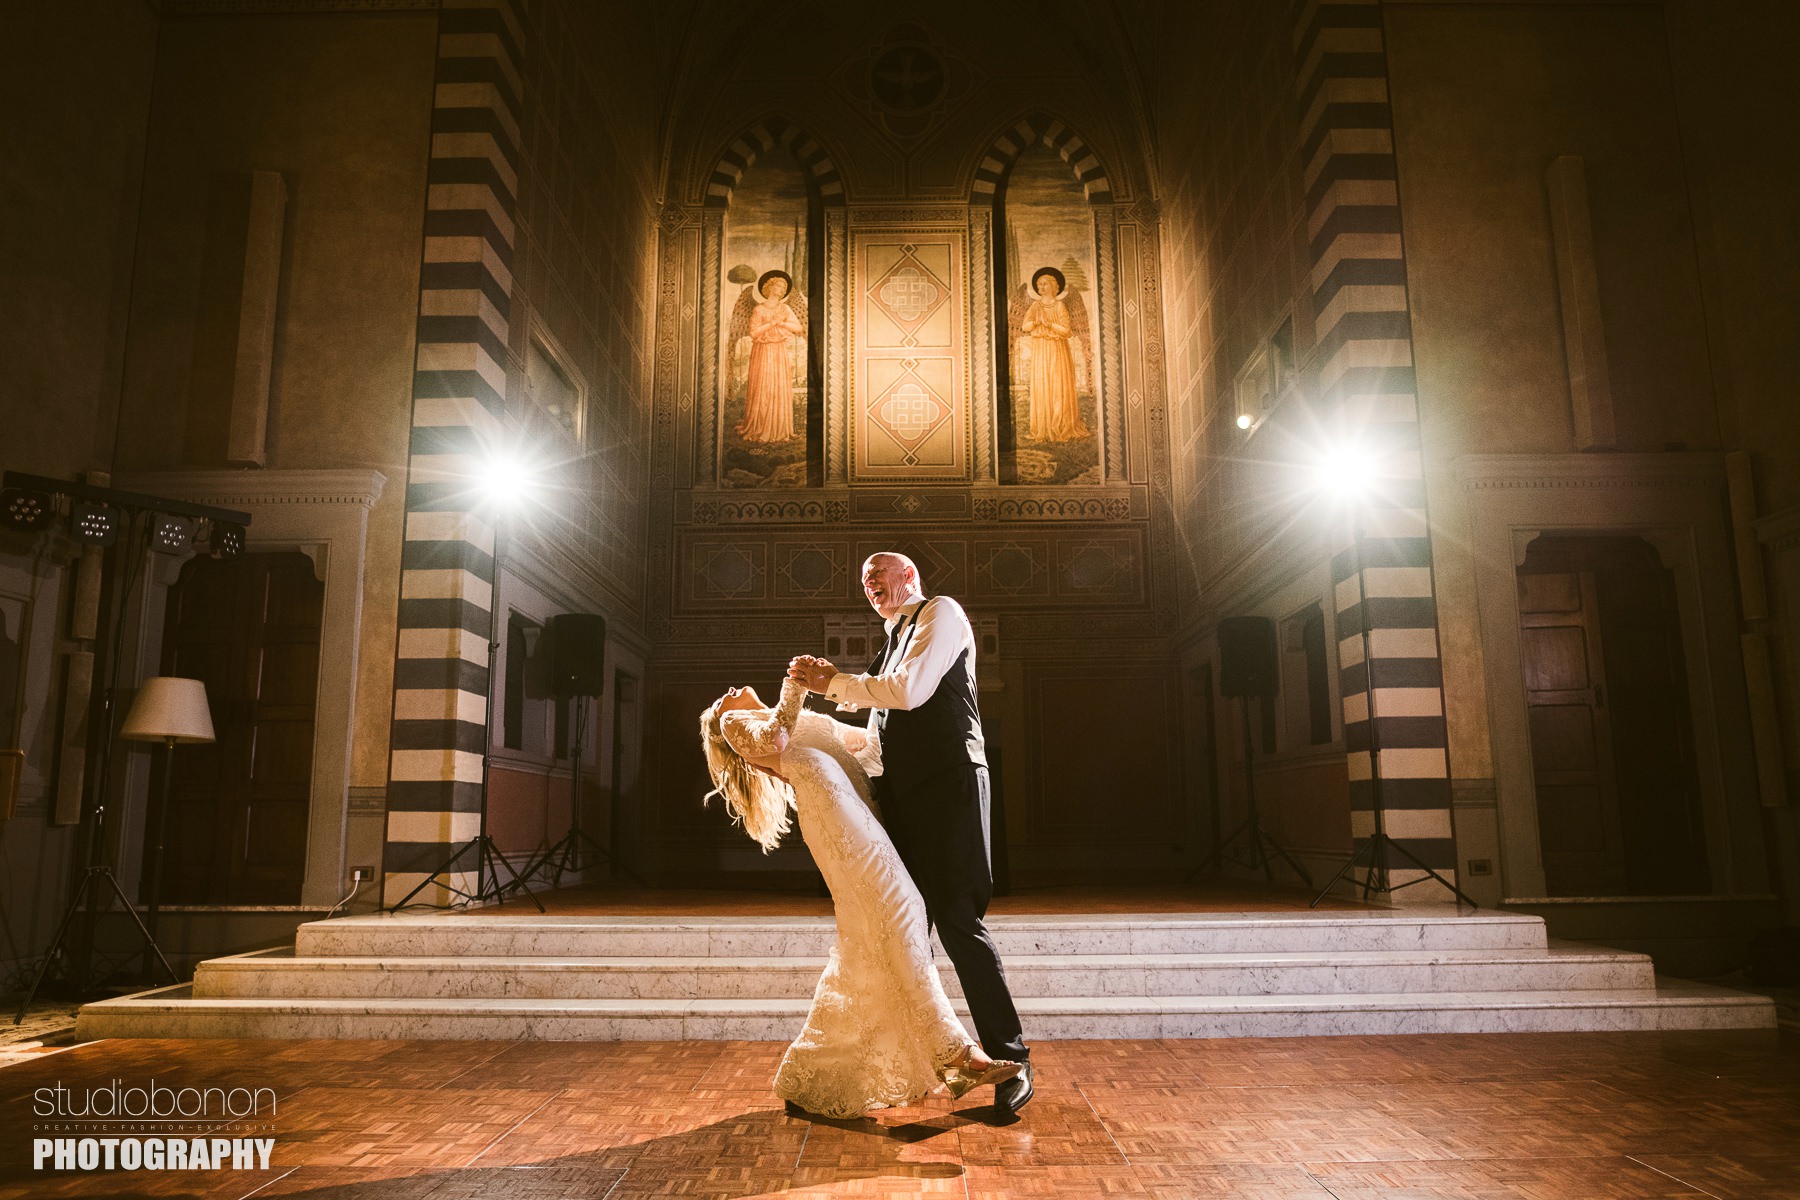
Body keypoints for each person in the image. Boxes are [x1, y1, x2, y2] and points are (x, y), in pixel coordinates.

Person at [699, 680, 1021, 1119]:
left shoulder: (794, 717)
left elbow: (868, 745)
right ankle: (958, 1056)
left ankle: (812, 1070)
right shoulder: (736, 723)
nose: (728, 692)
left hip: (861, 814)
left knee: (877, 935)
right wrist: (794, 687)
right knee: (904, 911)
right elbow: (774, 738)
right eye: (719, 700)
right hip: (836, 822)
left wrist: (884, 699)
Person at [788, 553, 1034, 1114]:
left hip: (949, 781)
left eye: (879, 573)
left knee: (958, 920)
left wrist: (834, 682)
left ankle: (1012, 1059)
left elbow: (910, 691)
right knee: (903, 929)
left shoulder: (941, 613)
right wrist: (808, 734)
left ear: (911, 577)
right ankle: (903, 1066)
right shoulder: (888, 645)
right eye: (864, 578)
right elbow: (878, 740)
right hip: (901, 793)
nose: (869, 582)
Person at [1020, 267, 1089, 442]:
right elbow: (1025, 326)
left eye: (1045, 284)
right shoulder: (1035, 306)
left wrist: (1049, 324)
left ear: (1054, 286)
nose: (1041, 287)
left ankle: (1060, 425)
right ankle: (1042, 428)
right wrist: (1036, 322)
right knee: (1042, 384)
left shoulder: (1059, 306)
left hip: (1058, 350)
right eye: (1039, 284)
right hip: (1041, 349)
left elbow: (1066, 330)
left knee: (1058, 385)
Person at [736, 270, 805, 443]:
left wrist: (781, 322)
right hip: (762, 351)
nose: (782, 290)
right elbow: (753, 333)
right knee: (764, 386)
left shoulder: (785, 308)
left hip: (778, 351)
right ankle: (760, 427)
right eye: (779, 286)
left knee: (778, 386)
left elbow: (798, 328)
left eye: (784, 287)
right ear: (770, 287)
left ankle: (780, 429)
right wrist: (772, 323)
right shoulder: (759, 309)